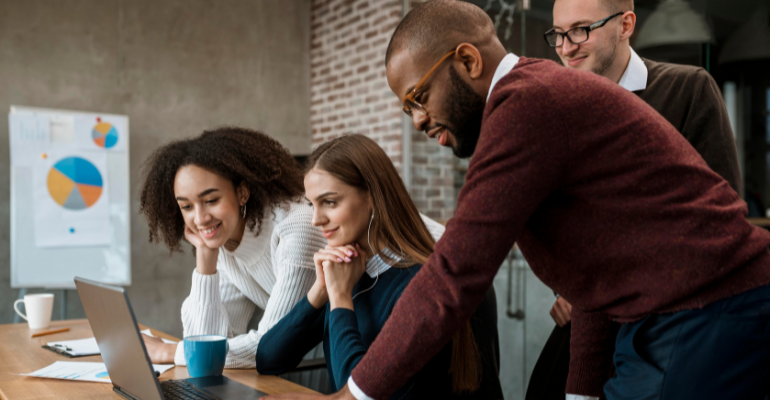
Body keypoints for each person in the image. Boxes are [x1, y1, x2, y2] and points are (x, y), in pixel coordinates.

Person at [265, 1, 770, 400]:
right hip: (673, 318)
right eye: (406, 108)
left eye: (419, 97)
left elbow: (456, 272)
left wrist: (351, 396)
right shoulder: (532, 102)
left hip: (709, 312)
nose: (417, 121)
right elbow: (592, 281)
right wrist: (580, 394)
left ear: (466, 60)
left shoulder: (526, 104)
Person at [527, 0, 744, 398]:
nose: (566, 47)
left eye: (580, 29)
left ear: (626, 24)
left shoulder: (688, 89)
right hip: (587, 323)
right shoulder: (555, 111)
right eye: (557, 34)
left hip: (670, 326)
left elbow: (723, 224)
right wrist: (563, 287)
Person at [256, 134, 503, 399]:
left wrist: (340, 299)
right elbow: (268, 359)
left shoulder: (420, 283)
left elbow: (357, 393)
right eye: (311, 204)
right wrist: (320, 290)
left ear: (372, 196)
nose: (316, 220)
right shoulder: (347, 272)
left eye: (329, 202)